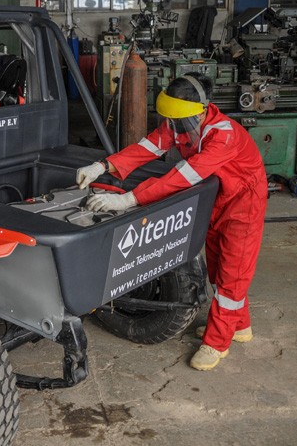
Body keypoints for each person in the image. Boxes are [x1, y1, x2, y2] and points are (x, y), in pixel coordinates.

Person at [76, 73, 267, 371]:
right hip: (219, 198)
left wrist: (129, 200)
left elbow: (183, 176)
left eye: (179, 123)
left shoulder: (224, 135)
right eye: (172, 122)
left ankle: (218, 342)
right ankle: (239, 326)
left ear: (202, 111)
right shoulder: (180, 123)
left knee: (234, 271)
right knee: (218, 266)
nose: (175, 129)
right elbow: (147, 147)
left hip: (244, 204)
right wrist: (102, 166)